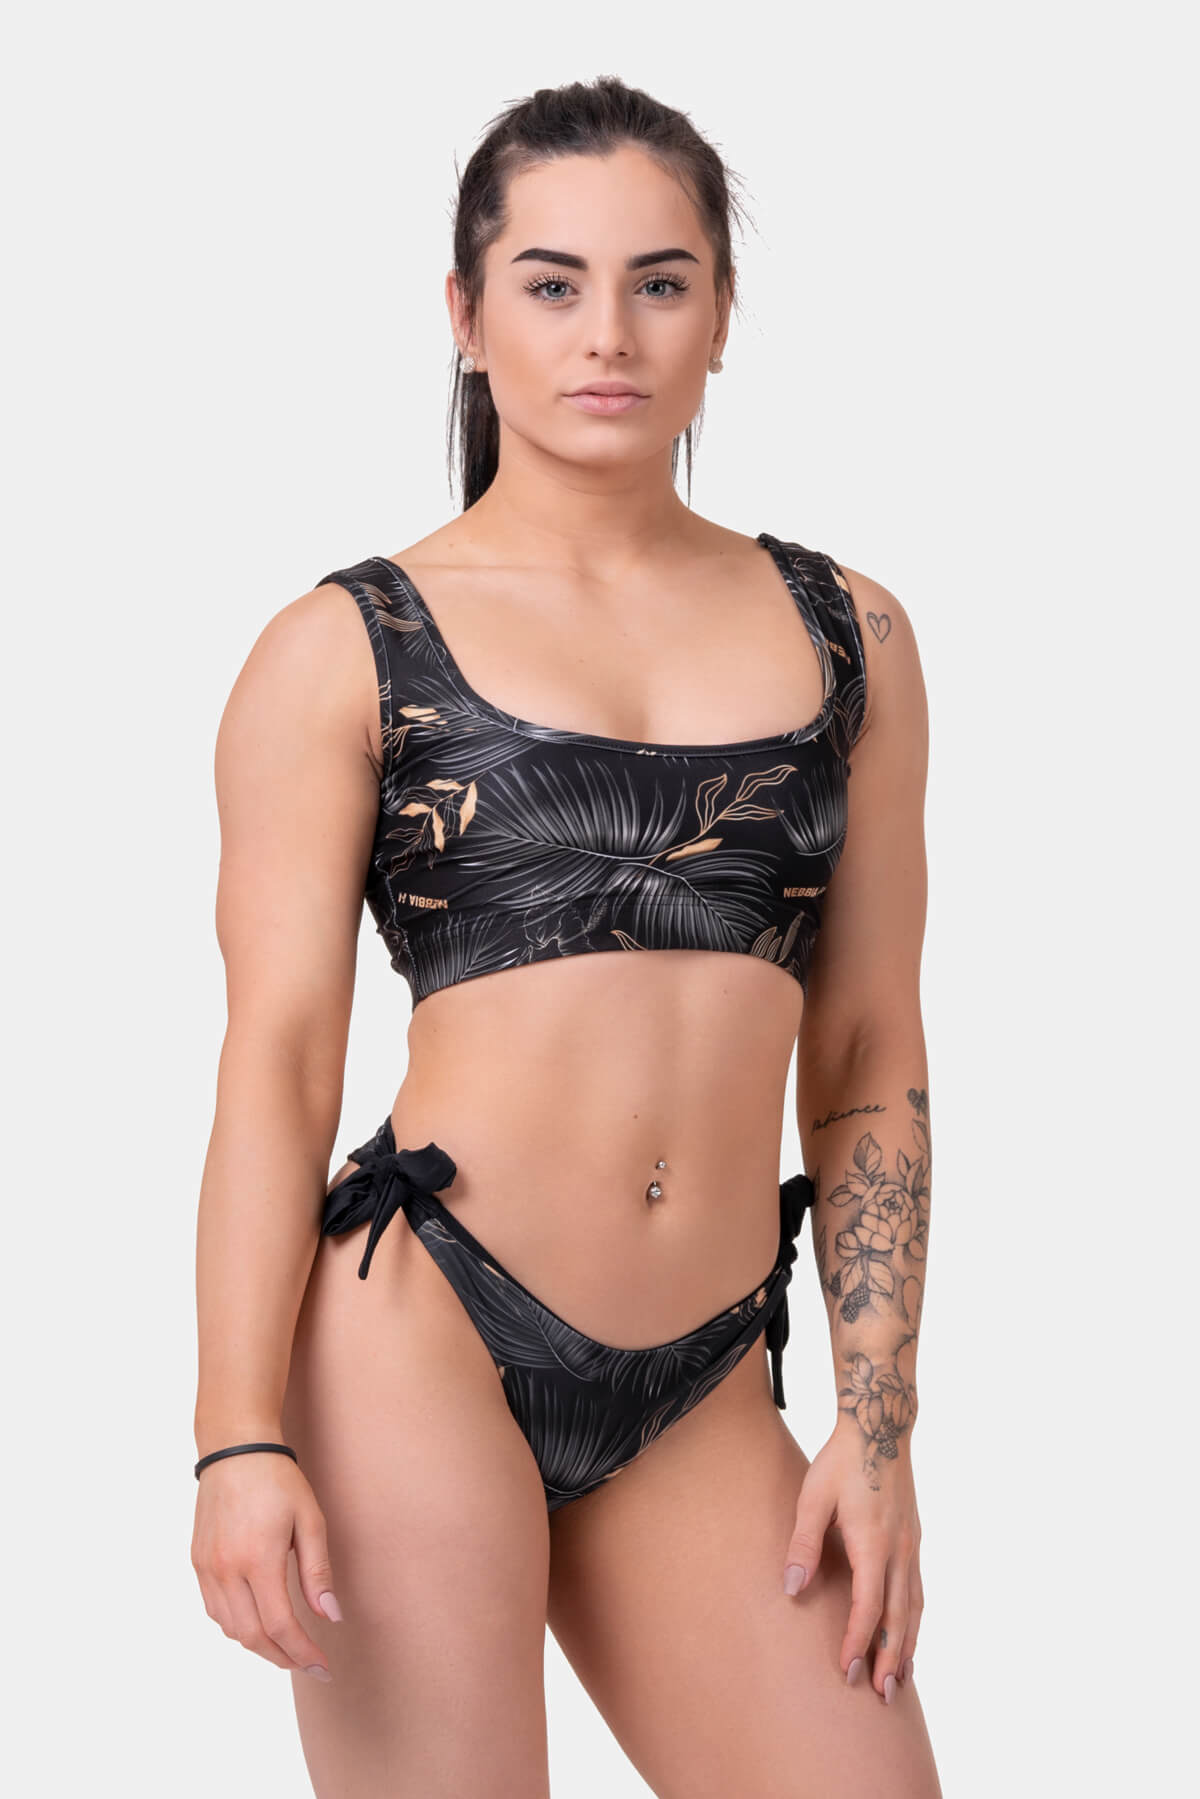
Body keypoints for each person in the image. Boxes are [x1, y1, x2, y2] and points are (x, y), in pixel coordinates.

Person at [191, 73, 941, 1799]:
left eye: (660, 282)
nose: (608, 333)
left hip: (702, 1382)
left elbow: (867, 1047)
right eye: (551, 283)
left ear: (721, 314)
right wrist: (236, 1435)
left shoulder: (856, 638)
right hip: (422, 1336)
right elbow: (279, 1063)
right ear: (467, 317)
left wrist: (878, 1427)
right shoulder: (344, 649)